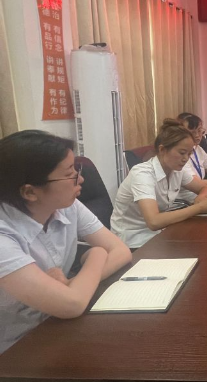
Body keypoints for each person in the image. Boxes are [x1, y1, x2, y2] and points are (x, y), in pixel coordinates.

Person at [0, 130, 131, 354]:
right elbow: (72, 304)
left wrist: (73, 285)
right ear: (30, 192)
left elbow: (121, 251)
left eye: (76, 169)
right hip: (18, 347)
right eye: (70, 173)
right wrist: (97, 254)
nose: (80, 179)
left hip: (59, 327)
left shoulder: (68, 206)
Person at [110, 119, 207, 248]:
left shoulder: (177, 170)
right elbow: (154, 221)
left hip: (158, 234)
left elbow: (204, 188)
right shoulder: (142, 174)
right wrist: (198, 208)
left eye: (189, 154)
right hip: (132, 241)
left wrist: (201, 197)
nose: (185, 159)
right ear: (162, 150)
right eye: (182, 153)